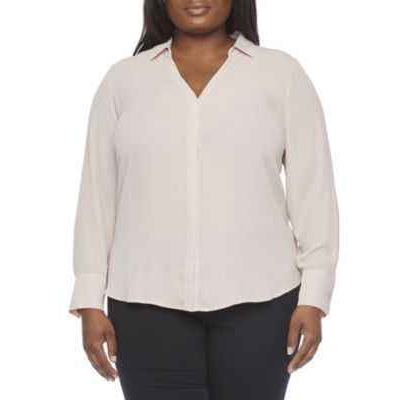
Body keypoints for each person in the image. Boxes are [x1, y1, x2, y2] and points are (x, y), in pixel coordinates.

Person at [68, 1, 340, 399]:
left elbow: (314, 195)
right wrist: (89, 300)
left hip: (263, 306)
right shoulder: (122, 82)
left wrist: (315, 296)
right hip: (144, 307)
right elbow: (97, 196)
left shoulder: (281, 75)